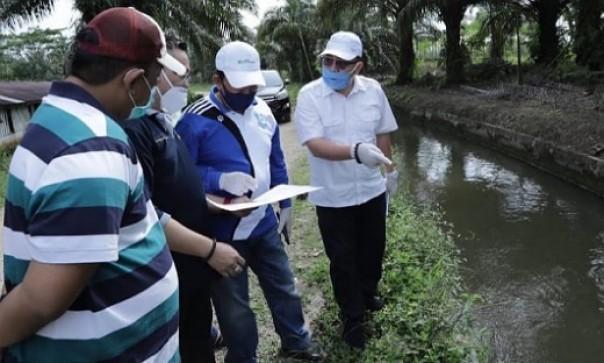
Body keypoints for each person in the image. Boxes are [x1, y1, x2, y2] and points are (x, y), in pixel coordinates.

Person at [0, 7, 187, 362]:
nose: (154, 91)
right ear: (133, 81)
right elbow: (40, 301)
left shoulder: (61, 117)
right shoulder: (89, 151)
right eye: (154, 78)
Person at [175, 41, 326, 362]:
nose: (249, 91)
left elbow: (276, 160)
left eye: (252, 83)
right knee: (234, 308)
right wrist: (219, 180)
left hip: (263, 223)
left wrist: (285, 205)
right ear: (218, 80)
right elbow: (181, 176)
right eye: (240, 85)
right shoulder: (194, 120)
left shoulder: (263, 110)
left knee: (284, 287)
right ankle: (243, 357)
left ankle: (296, 341)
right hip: (221, 232)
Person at [121, 36, 246, 363]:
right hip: (169, 269)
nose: (188, 82)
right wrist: (211, 250)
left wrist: (219, 205)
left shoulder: (165, 122)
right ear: (156, 74)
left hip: (191, 273)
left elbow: (179, 189)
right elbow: (145, 212)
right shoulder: (135, 130)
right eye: (182, 74)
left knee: (198, 341)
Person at [293, 31, 399, 350]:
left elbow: (382, 135)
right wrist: (354, 151)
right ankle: (352, 318)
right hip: (332, 197)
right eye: (329, 61)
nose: (334, 68)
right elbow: (315, 144)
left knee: (372, 250)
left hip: (370, 191)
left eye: (342, 63)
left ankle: (368, 295)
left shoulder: (374, 92)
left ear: (358, 67)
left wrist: (390, 171)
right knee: (342, 259)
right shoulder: (310, 95)